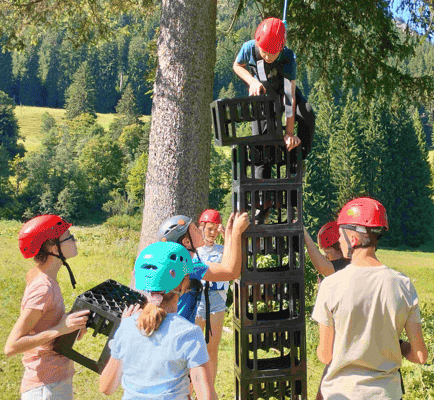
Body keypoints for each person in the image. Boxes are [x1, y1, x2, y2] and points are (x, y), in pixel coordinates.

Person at [312, 198, 428, 399]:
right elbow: (420, 355)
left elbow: (325, 355)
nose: (339, 241)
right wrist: (399, 346)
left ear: (352, 238)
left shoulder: (331, 285)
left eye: (340, 235)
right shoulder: (404, 285)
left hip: (341, 394)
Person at [99, 241, 217, 400]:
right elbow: (207, 397)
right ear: (183, 284)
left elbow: (106, 387)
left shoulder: (127, 326)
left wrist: (121, 335)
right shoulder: (188, 333)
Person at [233, 17, 315, 220]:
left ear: (282, 47)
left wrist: (289, 133)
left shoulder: (287, 58)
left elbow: (289, 96)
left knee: (307, 113)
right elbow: (237, 66)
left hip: (284, 93)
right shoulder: (249, 48)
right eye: (264, 52)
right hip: (262, 97)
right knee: (262, 144)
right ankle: (263, 202)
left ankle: (297, 159)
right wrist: (251, 80)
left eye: (272, 53)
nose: (268, 57)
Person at [5, 214, 90, 400]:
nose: (74, 240)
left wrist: (71, 329)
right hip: (46, 388)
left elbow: (44, 328)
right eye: (69, 237)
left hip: (54, 382)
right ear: (54, 248)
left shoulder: (48, 281)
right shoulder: (43, 287)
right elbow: (12, 345)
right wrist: (60, 329)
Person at [156, 212, 249, 324]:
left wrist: (228, 233)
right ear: (187, 242)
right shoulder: (190, 267)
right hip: (180, 329)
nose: (200, 231)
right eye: (195, 230)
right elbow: (231, 272)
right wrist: (236, 233)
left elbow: (226, 266)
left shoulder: (176, 265)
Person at [195, 209, 228, 389]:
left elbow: (235, 258)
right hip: (198, 301)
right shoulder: (195, 252)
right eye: (209, 228)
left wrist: (226, 234)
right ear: (202, 227)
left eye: (216, 229)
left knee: (211, 349)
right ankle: (191, 387)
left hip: (217, 302)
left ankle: (209, 388)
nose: (213, 232)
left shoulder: (223, 250)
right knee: (194, 347)